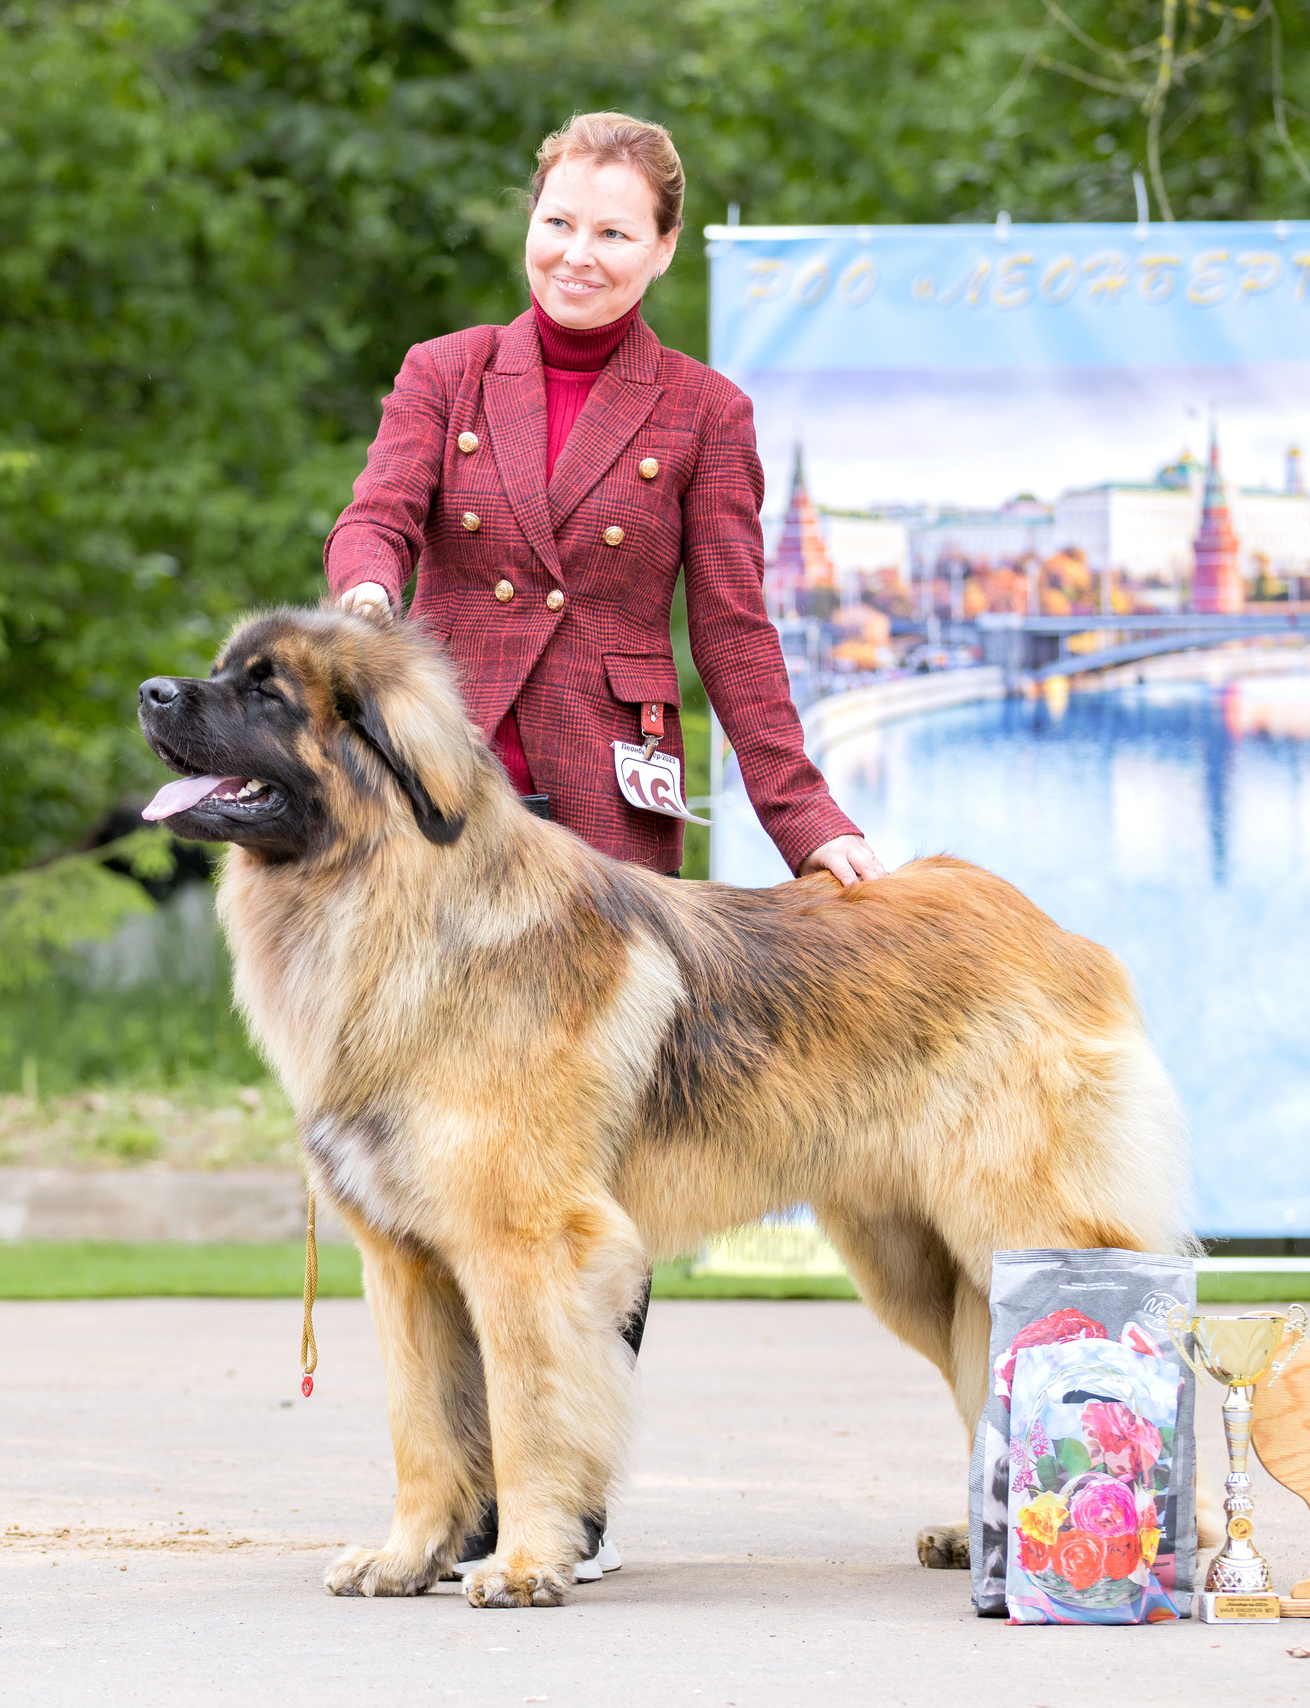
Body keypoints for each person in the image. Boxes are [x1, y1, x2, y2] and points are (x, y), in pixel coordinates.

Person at [320, 110, 885, 1580]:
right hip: (444, 816)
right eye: (561, 222)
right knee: (431, 1164)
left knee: (580, 1171)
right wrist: (370, 606)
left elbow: (737, 638)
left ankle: (558, 1498)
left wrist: (811, 826)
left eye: (614, 231)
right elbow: (374, 519)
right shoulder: (445, 373)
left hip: (607, 810)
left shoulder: (704, 413)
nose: (580, 253)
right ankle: (449, 1492)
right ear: (534, 220)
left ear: (663, 249)